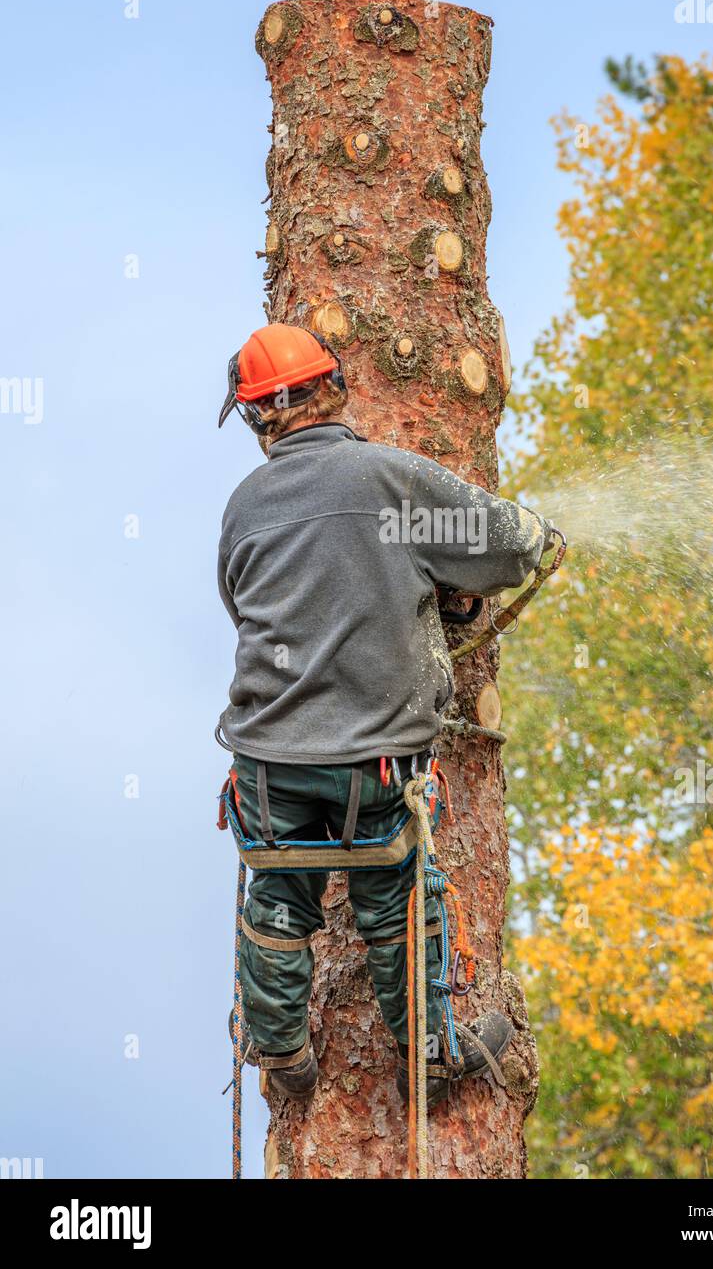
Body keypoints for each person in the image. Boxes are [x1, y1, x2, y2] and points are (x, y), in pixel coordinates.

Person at [217, 324, 552, 1101]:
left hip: (268, 761)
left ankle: (282, 1056)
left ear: (260, 418)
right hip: (374, 764)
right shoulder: (388, 483)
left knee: (276, 899)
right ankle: (429, 1058)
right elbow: (505, 546)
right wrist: (537, 536)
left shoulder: (243, 509)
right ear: (332, 388)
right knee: (403, 901)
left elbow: (243, 606)